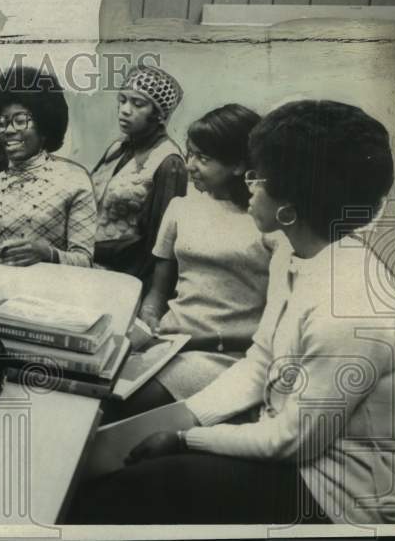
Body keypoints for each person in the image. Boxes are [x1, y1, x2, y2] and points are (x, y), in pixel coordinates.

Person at [70, 100, 395, 525]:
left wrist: (186, 439)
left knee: (122, 495)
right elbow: (260, 362)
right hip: (292, 452)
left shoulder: (348, 308)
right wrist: (189, 417)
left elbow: (292, 441)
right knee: (102, 468)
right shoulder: (295, 256)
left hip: (338, 496)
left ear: (293, 202)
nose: (248, 185)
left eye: (258, 176)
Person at [103, 104, 280, 422]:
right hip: (170, 343)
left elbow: (277, 325)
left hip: (226, 354)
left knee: (124, 404)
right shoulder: (181, 208)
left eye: (203, 158)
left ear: (239, 164)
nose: (190, 165)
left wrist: (196, 340)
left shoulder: (267, 222)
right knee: (99, 388)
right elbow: (158, 292)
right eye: (189, 154)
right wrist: (149, 322)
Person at [0, 66, 97, 267]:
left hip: (56, 293)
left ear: (44, 125)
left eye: (19, 121)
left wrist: (48, 254)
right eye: (0, 123)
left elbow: (85, 261)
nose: (7, 130)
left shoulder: (75, 182)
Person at [91, 64, 187, 289]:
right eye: (122, 100)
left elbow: (159, 243)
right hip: (88, 265)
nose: (124, 109)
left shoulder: (168, 162)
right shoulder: (117, 148)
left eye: (138, 103)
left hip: (125, 278)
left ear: (159, 115)